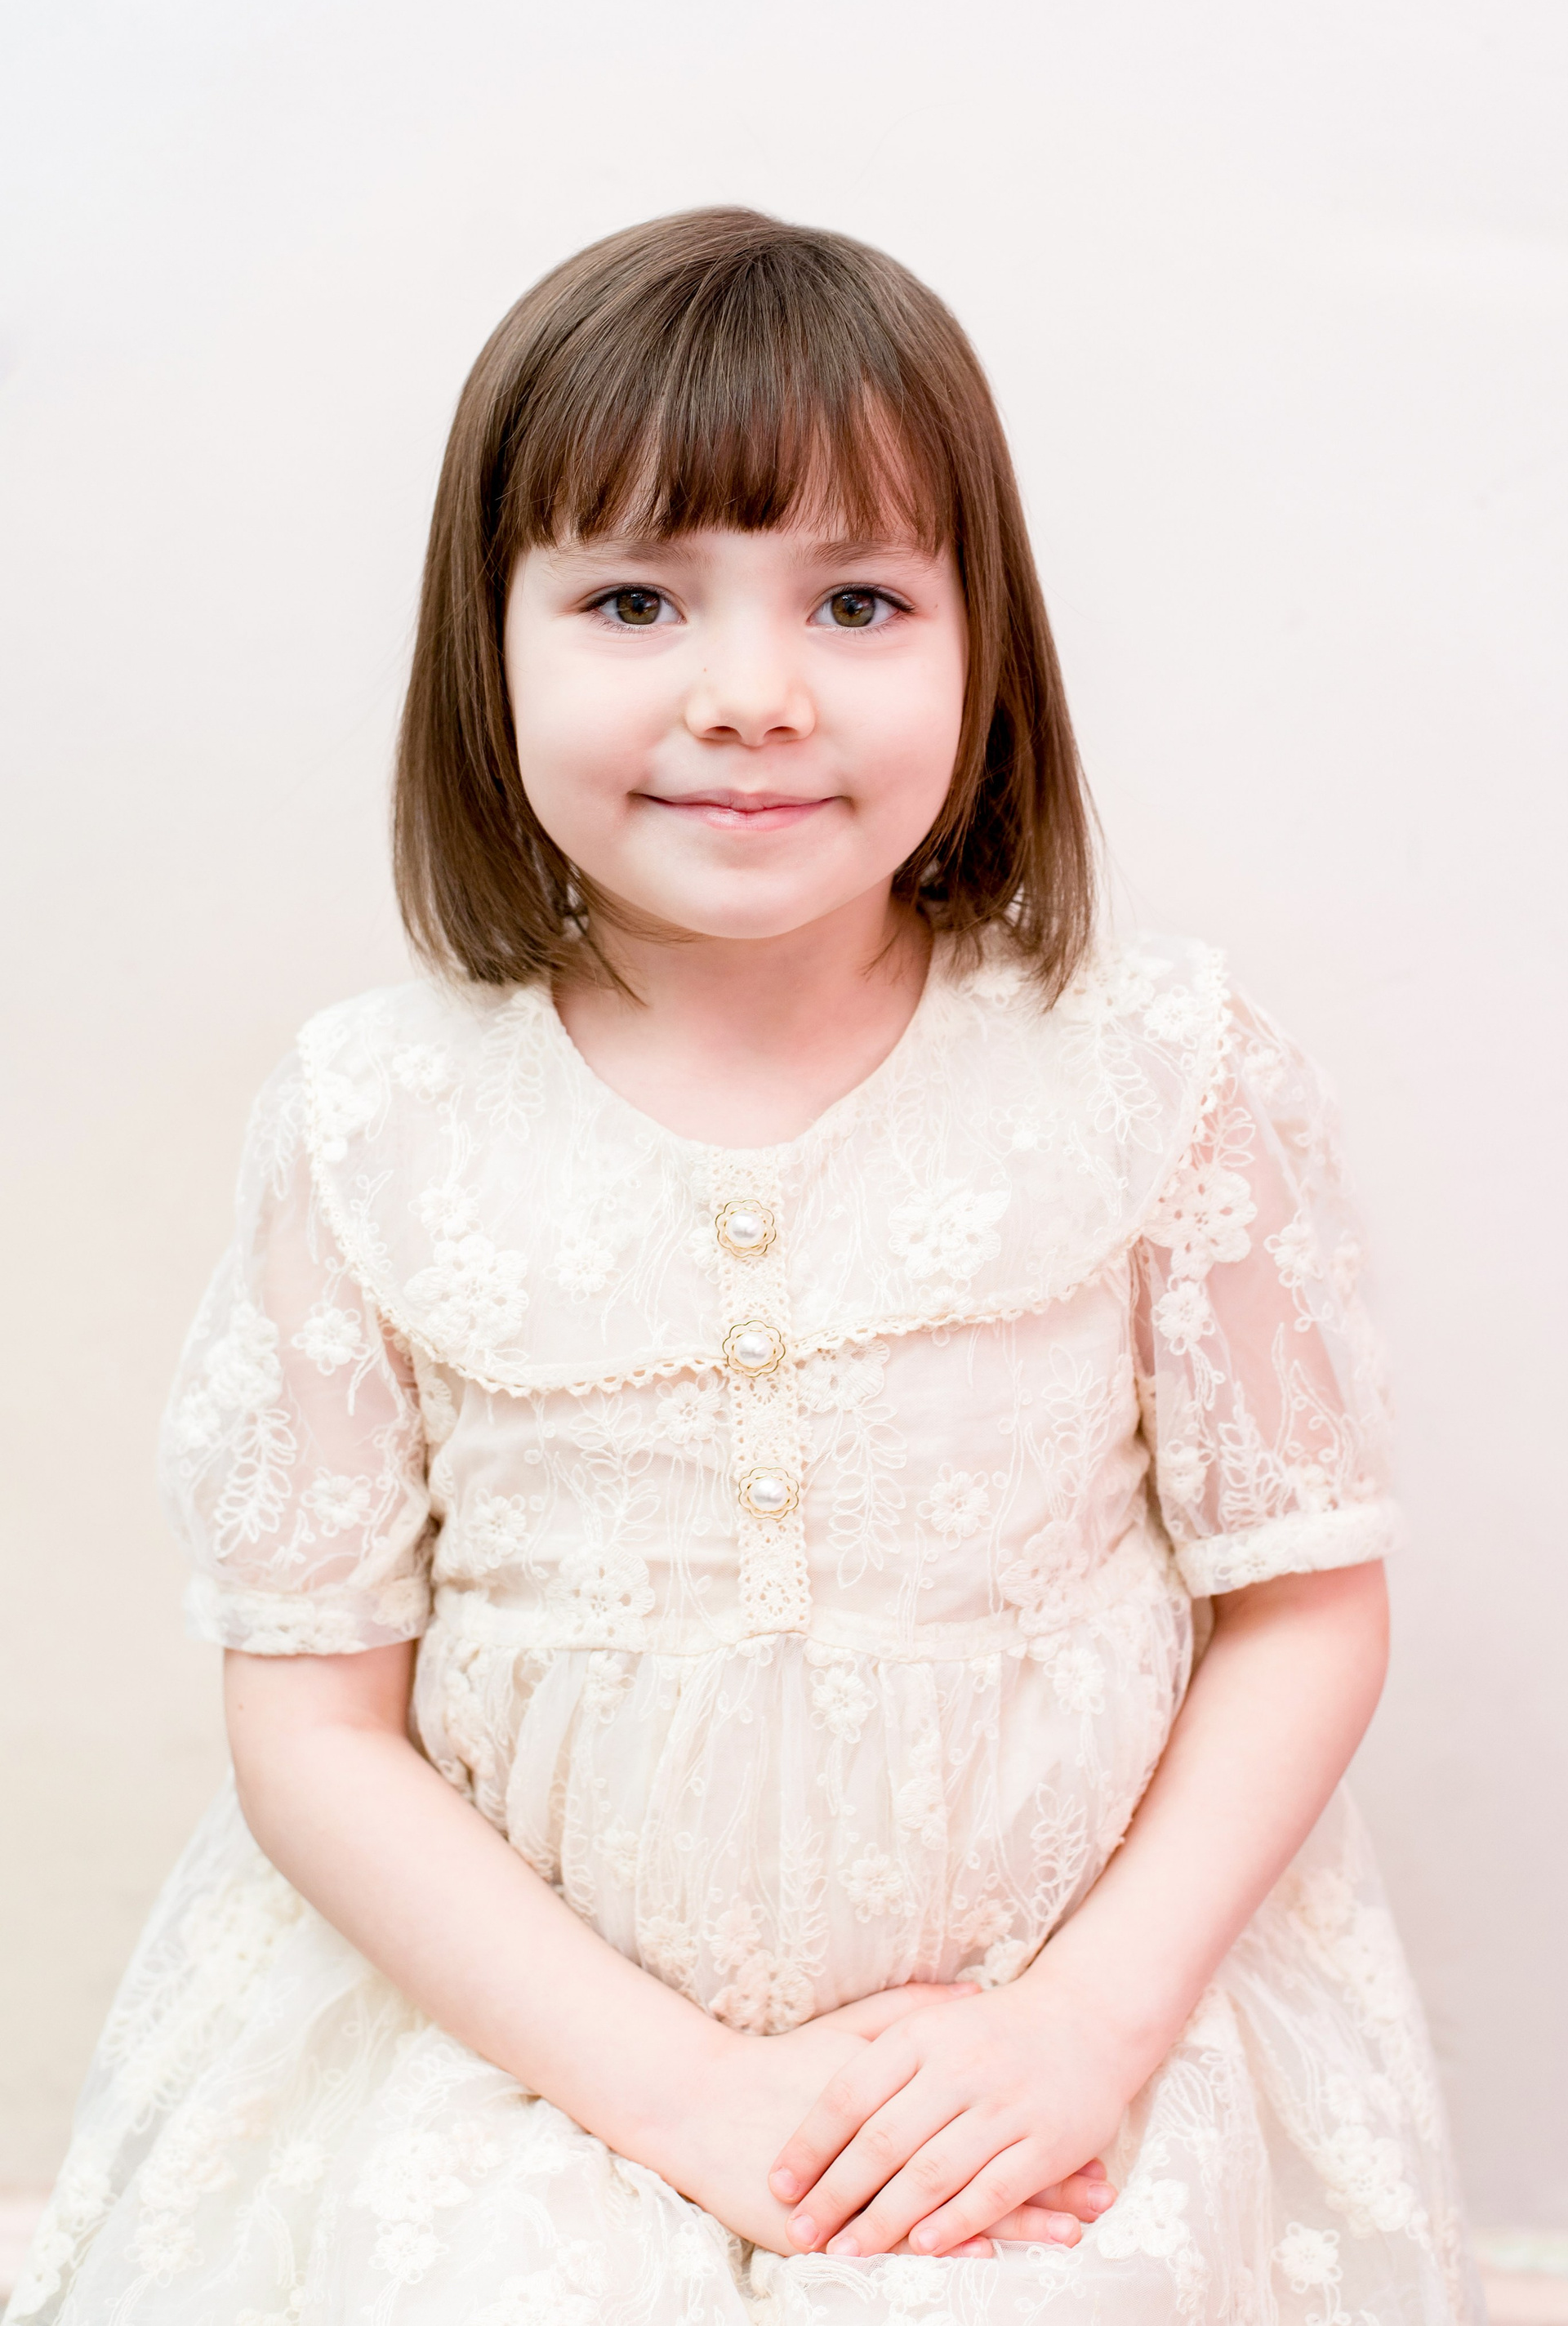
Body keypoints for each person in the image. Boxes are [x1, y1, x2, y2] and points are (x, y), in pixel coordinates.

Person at [10, 207, 1480, 2326]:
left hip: (1039, 2042)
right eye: (634, 598)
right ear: (488, 645)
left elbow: (1303, 1604)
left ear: (985, 647)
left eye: (858, 601)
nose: (753, 697)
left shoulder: (1162, 1076)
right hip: (520, 2044)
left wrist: (1083, 2027)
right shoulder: (371, 1123)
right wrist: (683, 2096)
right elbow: (314, 1723)